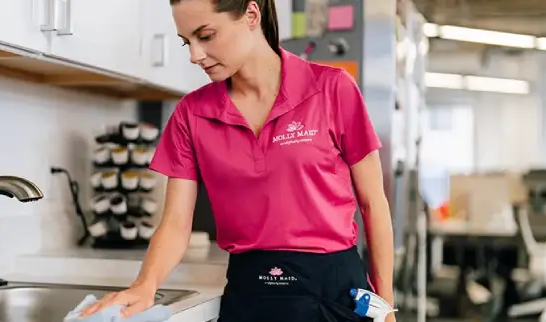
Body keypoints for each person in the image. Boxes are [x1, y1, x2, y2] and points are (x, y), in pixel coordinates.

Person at [81, 0, 395, 321]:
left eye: (206, 35)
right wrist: (145, 285)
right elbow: (176, 222)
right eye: (186, 42)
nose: (195, 55)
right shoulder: (192, 114)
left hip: (335, 294)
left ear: (251, 15)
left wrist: (386, 307)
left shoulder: (332, 88)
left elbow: (373, 204)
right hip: (250, 296)